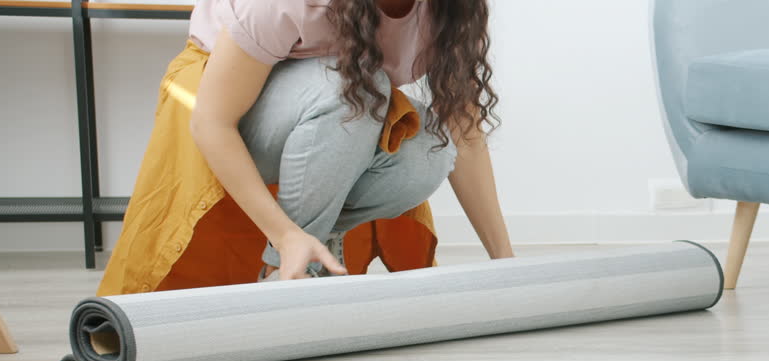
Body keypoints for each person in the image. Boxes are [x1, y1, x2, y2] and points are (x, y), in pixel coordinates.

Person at [97, 0, 511, 295]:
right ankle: (288, 273)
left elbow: (464, 133)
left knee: (431, 147)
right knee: (359, 91)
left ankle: (317, 249)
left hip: (334, 112)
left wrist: (505, 265)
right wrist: (283, 235)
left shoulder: (453, 9)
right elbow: (211, 123)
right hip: (222, 105)